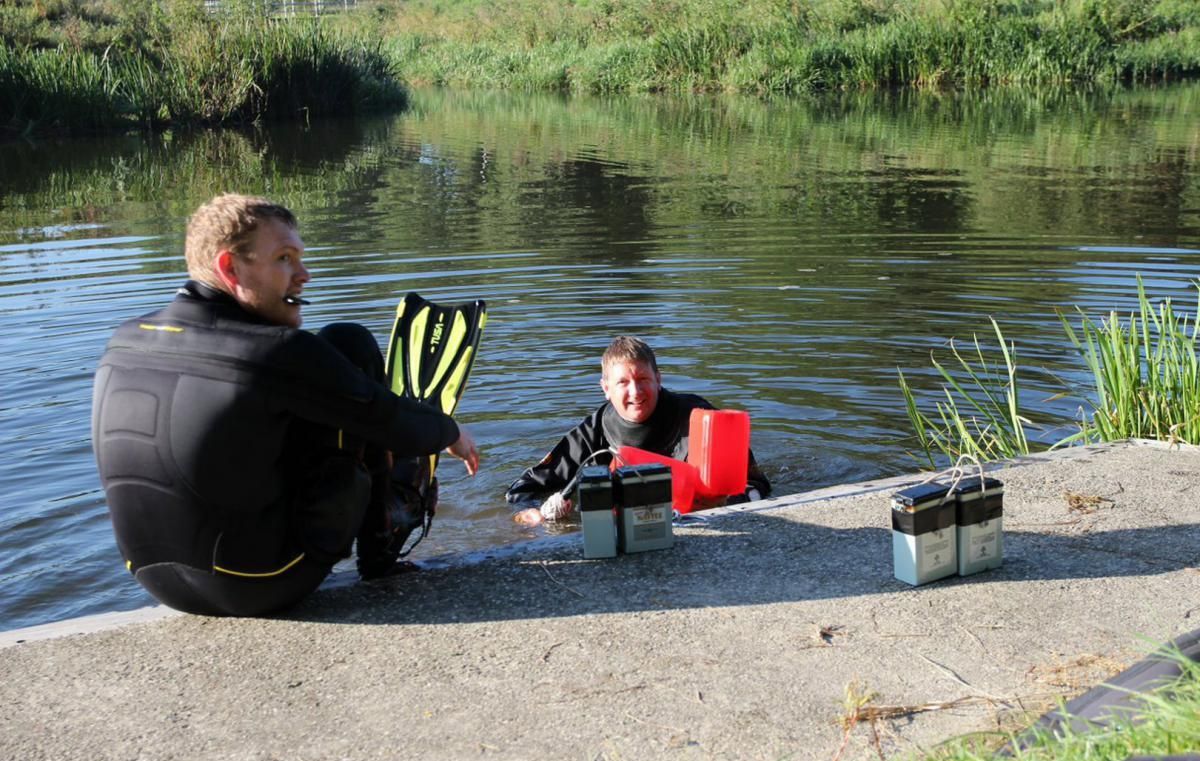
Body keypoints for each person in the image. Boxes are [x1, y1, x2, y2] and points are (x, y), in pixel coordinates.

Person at [92, 193, 479, 616]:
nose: (304, 275)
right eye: (285, 259)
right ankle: (380, 550)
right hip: (258, 584)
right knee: (350, 343)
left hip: (155, 580)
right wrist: (451, 432)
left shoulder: (123, 341)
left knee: (323, 373)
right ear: (230, 267)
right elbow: (392, 421)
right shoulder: (273, 351)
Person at [506, 335, 770, 524]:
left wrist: (724, 505)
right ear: (606, 389)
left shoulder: (698, 417)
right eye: (623, 382)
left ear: (658, 379)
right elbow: (521, 489)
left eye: (643, 379)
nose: (636, 392)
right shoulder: (594, 431)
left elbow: (757, 485)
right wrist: (530, 512)